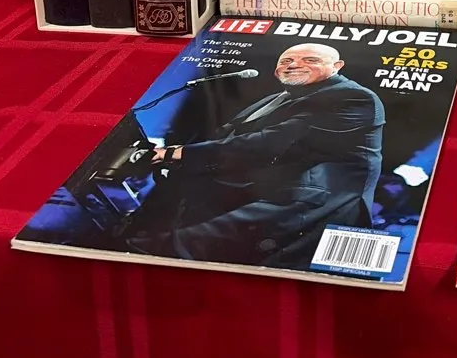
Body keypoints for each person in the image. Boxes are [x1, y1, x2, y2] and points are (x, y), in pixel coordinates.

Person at [125, 43, 385, 268]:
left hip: (306, 208)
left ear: (337, 66)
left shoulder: (353, 97)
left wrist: (175, 153)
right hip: (258, 196)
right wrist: (171, 160)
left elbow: (273, 142)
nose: (294, 65)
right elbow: (228, 137)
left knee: (168, 248)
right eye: (286, 61)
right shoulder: (275, 99)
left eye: (310, 60)